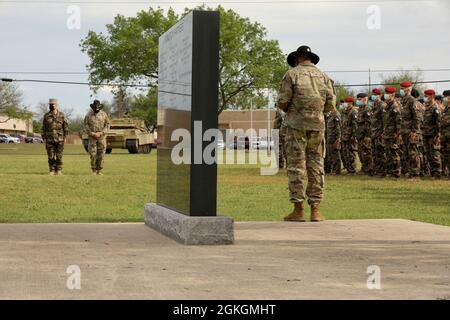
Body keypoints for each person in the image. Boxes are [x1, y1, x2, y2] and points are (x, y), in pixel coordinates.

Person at [277, 45, 336, 222]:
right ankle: (316, 210)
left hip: (296, 126)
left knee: (296, 166)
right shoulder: (324, 77)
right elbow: (330, 104)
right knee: (316, 166)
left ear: (297, 58)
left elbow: (282, 102)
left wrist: (295, 110)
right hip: (317, 127)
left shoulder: (292, 74)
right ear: (310, 58)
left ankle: (298, 209)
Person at [399, 82, 421, 179]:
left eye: (403, 88)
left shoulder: (412, 101)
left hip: (411, 132)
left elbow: (417, 117)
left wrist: (414, 131)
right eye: (401, 88)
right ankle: (410, 172)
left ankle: (415, 174)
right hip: (404, 131)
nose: (401, 90)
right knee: (407, 152)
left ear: (409, 89)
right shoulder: (403, 101)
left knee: (413, 153)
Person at [42, 98, 68, 175]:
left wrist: (65, 137)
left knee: (59, 156)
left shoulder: (62, 115)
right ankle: (52, 170)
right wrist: (44, 138)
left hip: (60, 139)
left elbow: (65, 127)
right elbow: (43, 128)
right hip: (49, 139)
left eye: (53, 104)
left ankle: (59, 170)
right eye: (50, 104)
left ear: (56, 105)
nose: (51, 105)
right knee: (51, 156)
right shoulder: (46, 115)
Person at [83, 100, 110, 175]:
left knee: (101, 155)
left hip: (102, 138)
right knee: (93, 155)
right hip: (92, 138)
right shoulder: (88, 115)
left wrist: (101, 133)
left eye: (98, 107)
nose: (96, 109)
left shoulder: (104, 114)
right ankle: (94, 170)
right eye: (95, 107)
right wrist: (91, 133)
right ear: (92, 107)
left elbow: (107, 125)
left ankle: (99, 170)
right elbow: (85, 125)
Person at [422, 89, 442, 178]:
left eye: (427, 96)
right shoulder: (425, 107)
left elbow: (439, 123)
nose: (425, 98)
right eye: (425, 96)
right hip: (426, 134)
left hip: (433, 135)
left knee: (435, 154)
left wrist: (438, 135)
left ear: (432, 96)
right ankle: (432, 172)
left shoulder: (435, 107)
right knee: (428, 154)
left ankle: (437, 173)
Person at [383, 87, 402, 178]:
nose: (386, 95)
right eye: (385, 93)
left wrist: (397, 133)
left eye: (388, 94)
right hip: (387, 133)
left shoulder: (395, 106)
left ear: (393, 95)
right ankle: (390, 171)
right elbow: (386, 121)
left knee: (394, 153)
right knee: (388, 153)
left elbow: (398, 121)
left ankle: (396, 172)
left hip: (393, 133)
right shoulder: (387, 106)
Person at [370, 88, 387, 177]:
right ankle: (377, 170)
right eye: (373, 94)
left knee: (380, 152)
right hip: (373, 133)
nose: (374, 96)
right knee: (375, 153)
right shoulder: (374, 106)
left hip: (379, 133)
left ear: (380, 96)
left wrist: (383, 133)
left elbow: (385, 121)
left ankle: (382, 171)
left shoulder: (382, 106)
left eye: (376, 95)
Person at [355, 93, 373, 175]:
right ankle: (364, 167)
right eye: (358, 99)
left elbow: (369, 123)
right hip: (359, 135)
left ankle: (368, 169)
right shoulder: (360, 109)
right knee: (360, 152)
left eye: (360, 99)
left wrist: (368, 136)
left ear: (365, 99)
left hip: (365, 135)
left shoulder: (367, 109)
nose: (358, 101)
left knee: (366, 152)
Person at [341, 96, 358, 175]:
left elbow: (355, 125)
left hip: (350, 136)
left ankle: (352, 169)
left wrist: (354, 136)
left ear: (350, 103)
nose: (344, 104)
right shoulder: (345, 112)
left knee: (351, 153)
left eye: (346, 103)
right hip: (344, 135)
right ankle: (348, 168)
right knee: (345, 153)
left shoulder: (353, 112)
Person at [326, 104, 342, 175]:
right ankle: (333, 169)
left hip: (334, 138)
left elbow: (338, 128)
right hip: (330, 138)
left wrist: (338, 138)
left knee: (335, 154)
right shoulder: (330, 115)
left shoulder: (336, 115)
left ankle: (337, 170)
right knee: (331, 154)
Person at [441, 90, 450, 178]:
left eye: (446, 96)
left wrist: (443, 122)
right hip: (445, 136)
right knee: (446, 154)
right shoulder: (446, 108)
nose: (445, 98)